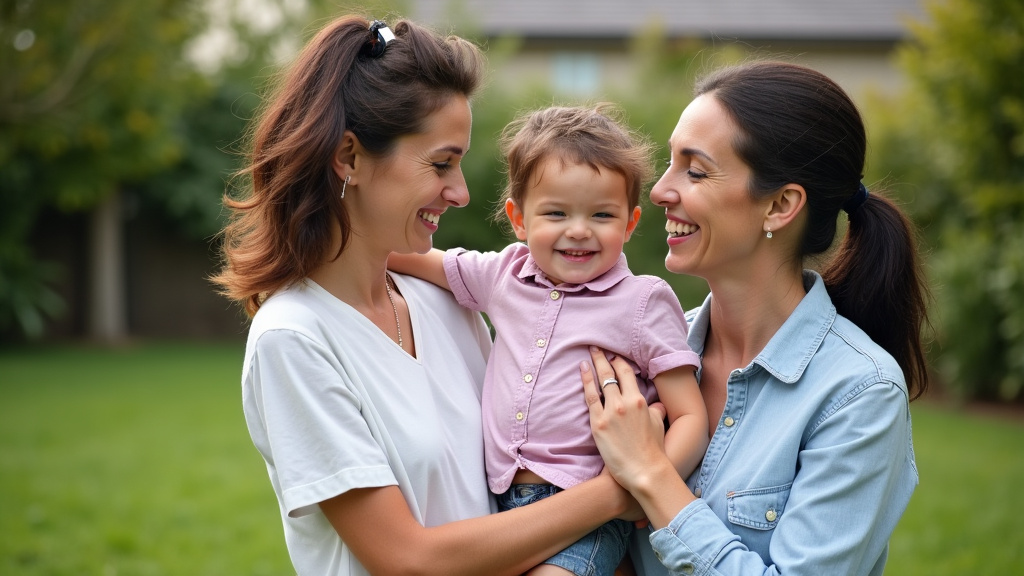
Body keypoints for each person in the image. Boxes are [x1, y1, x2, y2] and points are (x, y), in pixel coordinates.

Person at [211, 16, 643, 576]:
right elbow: (406, 559)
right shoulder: (294, 339)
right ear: (349, 157)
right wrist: (621, 489)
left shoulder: (445, 303)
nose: (461, 192)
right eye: (441, 164)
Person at [579, 60, 930, 576]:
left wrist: (653, 475)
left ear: (780, 205)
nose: (659, 191)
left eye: (695, 170)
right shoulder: (641, 349)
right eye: (672, 163)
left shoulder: (862, 393)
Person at [389, 105, 708, 576]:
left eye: (602, 214)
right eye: (556, 213)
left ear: (630, 222)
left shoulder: (642, 301)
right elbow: (415, 258)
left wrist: (646, 485)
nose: (578, 230)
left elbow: (690, 416)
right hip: (497, 502)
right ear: (518, 219)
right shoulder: (504, 273)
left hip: (588, 508)